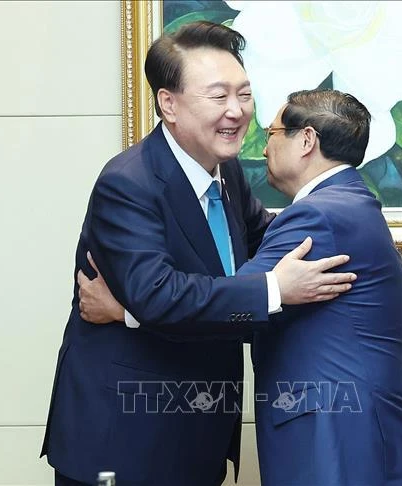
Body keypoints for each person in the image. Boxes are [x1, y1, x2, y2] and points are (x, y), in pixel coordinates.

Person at [41, 22, 356, 486]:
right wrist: (275, 289)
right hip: (124, 440)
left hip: (197, 432)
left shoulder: (225, 171)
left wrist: (346, 233)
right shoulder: (128, 183)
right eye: (218, 96)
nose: (236, 111)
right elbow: (159, 295)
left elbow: (266, 240)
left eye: (244, 94)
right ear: (168, 103)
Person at [81, 88, 402, 485]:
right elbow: (259, 296)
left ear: (306, 140)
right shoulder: (347, 206)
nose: (263, 149)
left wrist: (126, 310)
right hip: (368, 437)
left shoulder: (316, 218)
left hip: (345, 442)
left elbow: (229, 311)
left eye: (271, 134)